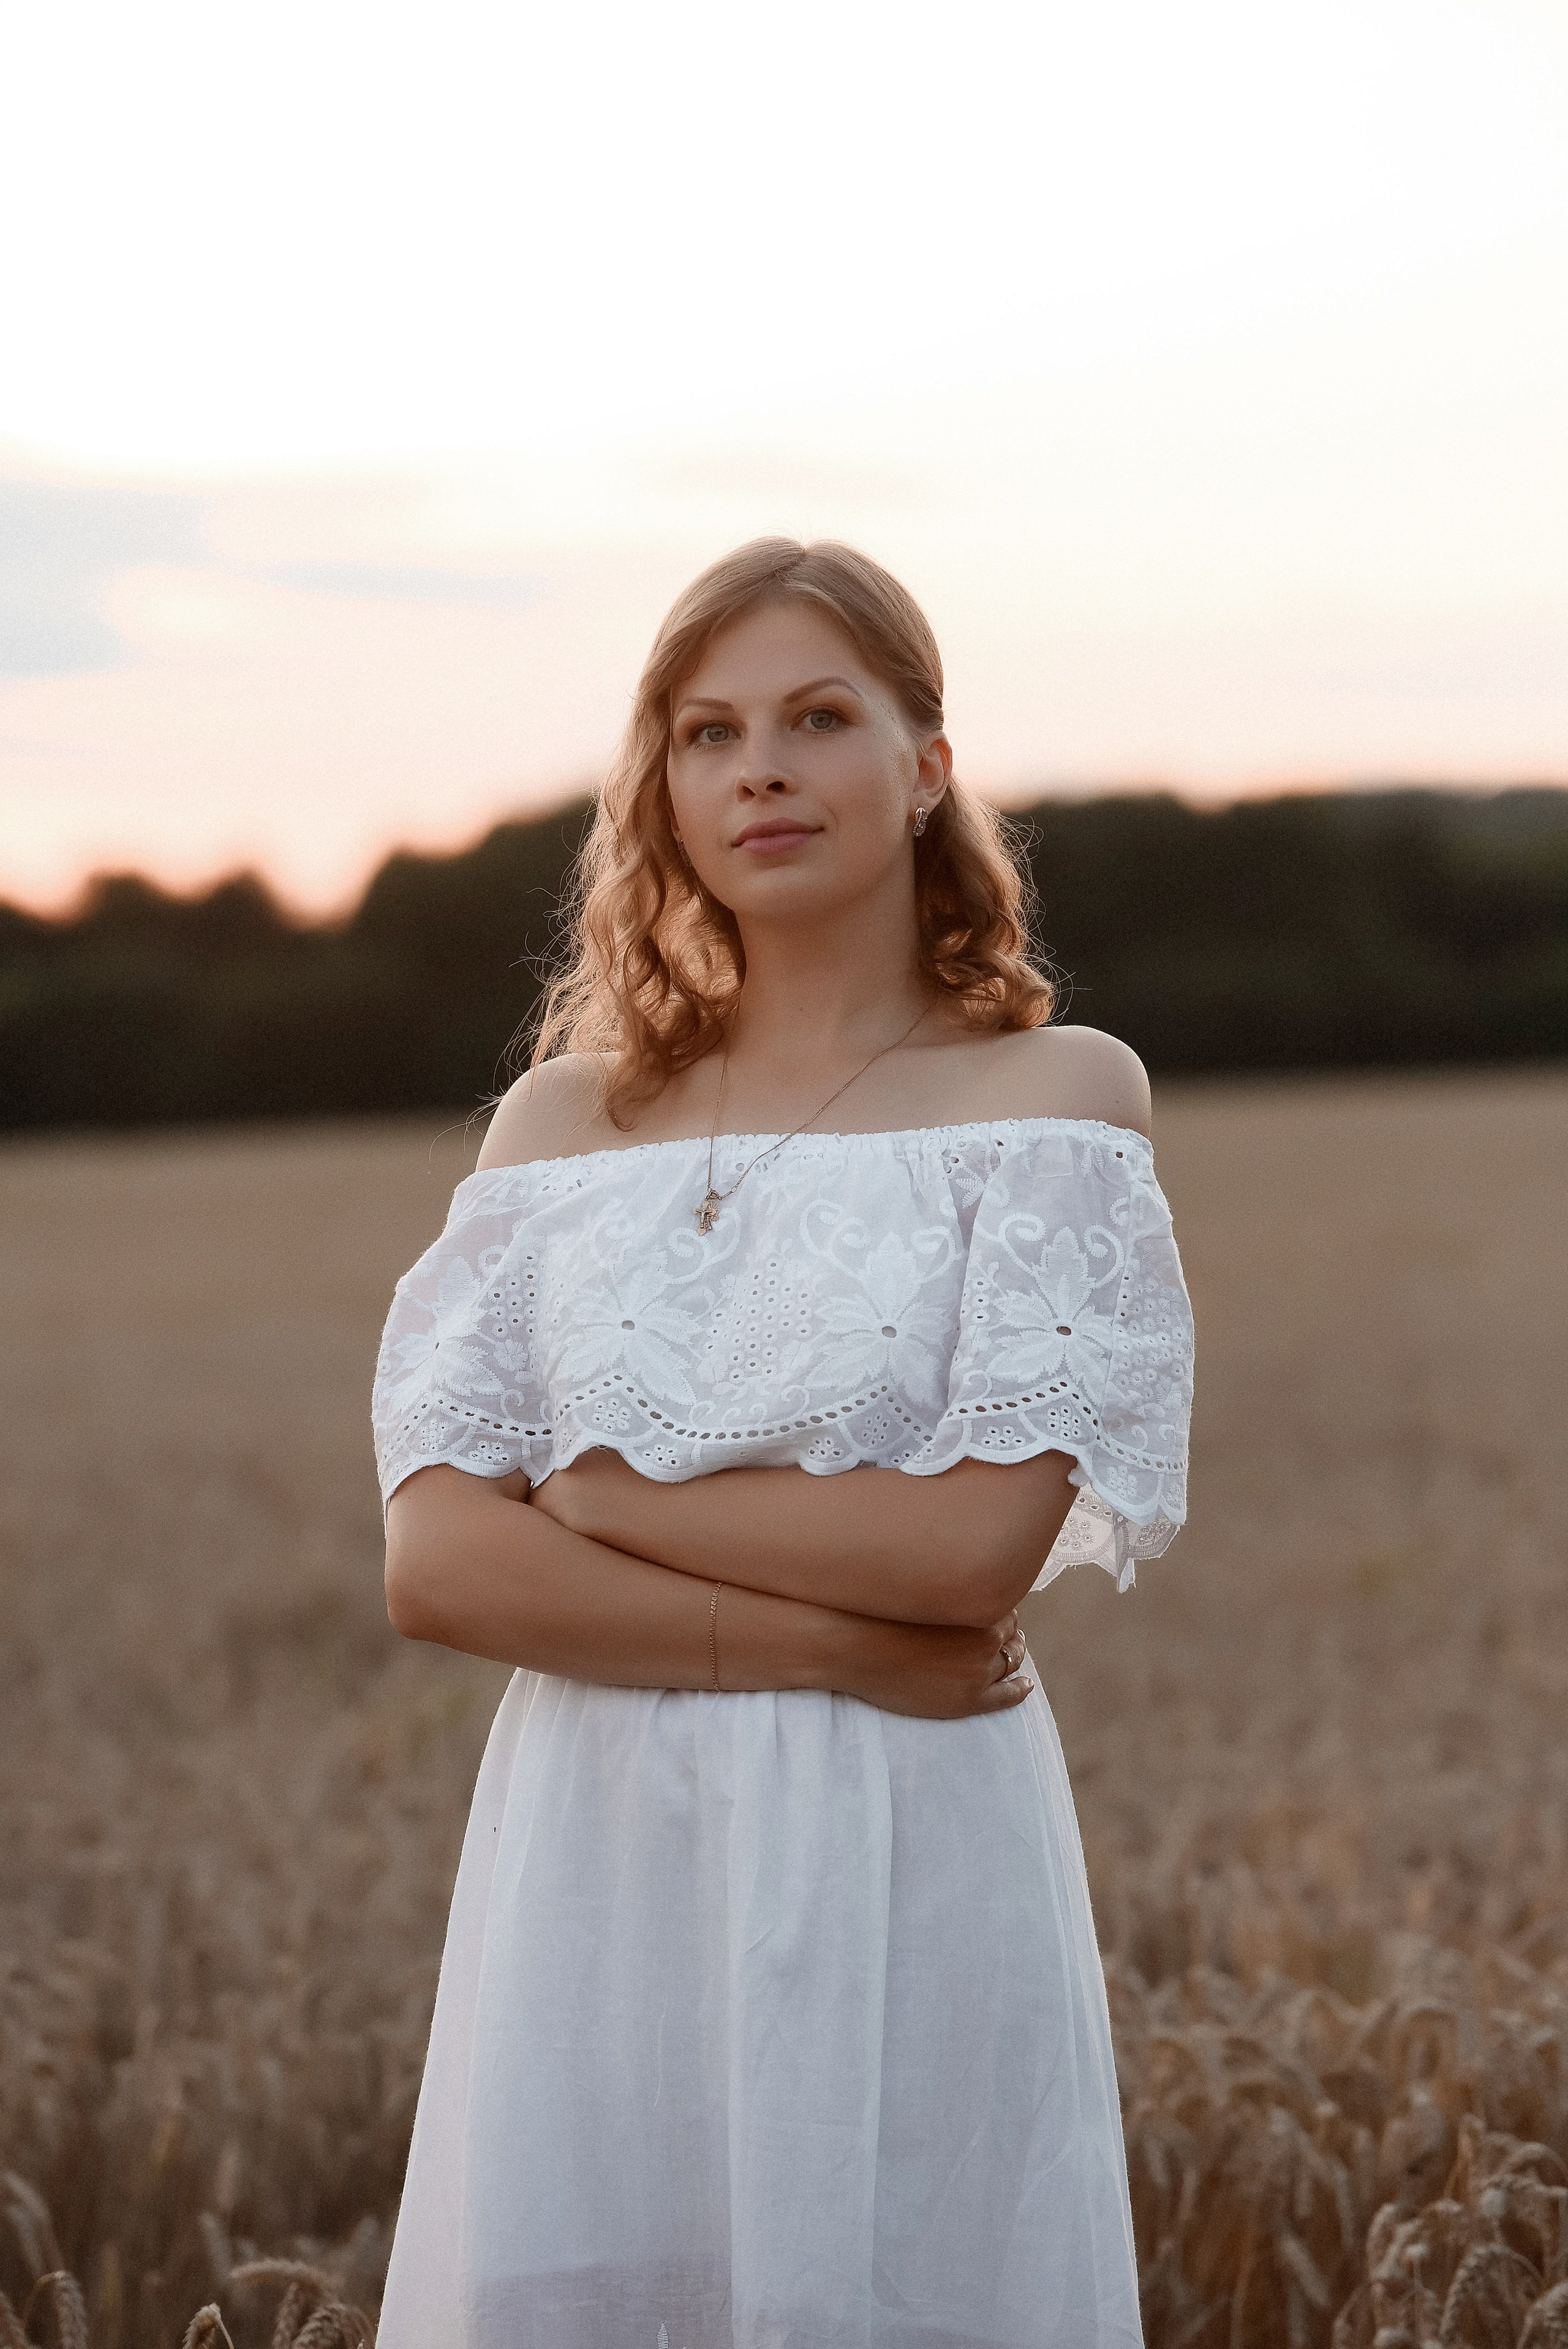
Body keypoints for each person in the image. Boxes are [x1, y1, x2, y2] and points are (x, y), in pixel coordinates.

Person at [370, 538, 1194, 2348]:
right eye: (707, 729)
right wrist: (825, 1639)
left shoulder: (1054, 1099)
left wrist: (599, 1494)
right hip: (596, 1858)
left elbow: (971, 1556)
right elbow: (439, 1561)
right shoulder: (560, 1123)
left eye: (821, 717)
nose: (761, 767)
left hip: (912, 1835)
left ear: (925, 766)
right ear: (660, 788)